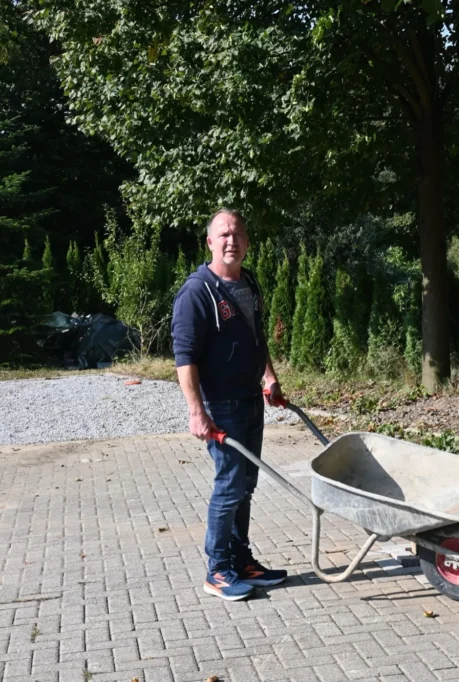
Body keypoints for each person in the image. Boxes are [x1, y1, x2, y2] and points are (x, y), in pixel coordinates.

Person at [171, 208, 287, 601]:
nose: (230, 241)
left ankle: (240, 560)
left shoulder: (250, 284)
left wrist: (269, 377)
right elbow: (184, 357)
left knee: (246, 485)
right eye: (222, 234)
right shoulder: (196, 292)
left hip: (251, 399)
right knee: (230, 485)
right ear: (209, 242)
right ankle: (218, 570)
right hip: (221, 407)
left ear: (247, 241)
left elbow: (257, 338)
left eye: (237, 234)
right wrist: (195, 411)